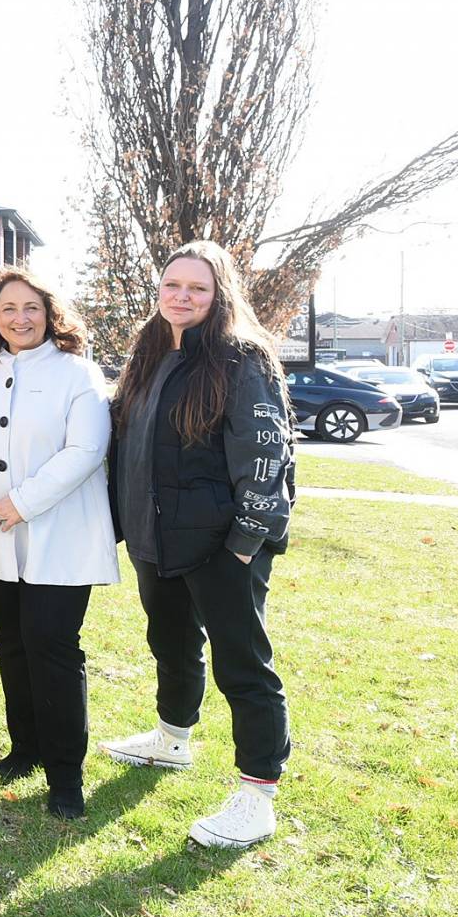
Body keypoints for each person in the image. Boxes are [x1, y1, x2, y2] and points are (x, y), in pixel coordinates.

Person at [100, 240, 294, 850]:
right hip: (157, 537)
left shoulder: (243, 359)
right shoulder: (152, 352)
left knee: (244, 663)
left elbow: (268, 455)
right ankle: (172, 738)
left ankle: (258, 794)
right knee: (171, 641)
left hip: (221, 545)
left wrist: (244, 543)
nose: (182, 297)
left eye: (197, 288)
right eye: (172, 285)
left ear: (220, 294)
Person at [0, 268, 117, 819]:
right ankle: (26, 750)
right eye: (8, 309)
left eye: (31, 308)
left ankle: (66, 775)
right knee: (11, 643)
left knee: (52, 645)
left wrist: (16, 505)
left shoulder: (78, 373)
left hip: (59, 535)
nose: (20, 318)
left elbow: (86, 449)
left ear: (50, 313)